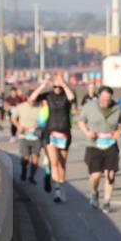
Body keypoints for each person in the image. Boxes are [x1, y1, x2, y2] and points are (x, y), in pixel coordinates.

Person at [29, 73, 76, 203]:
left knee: (62, 163)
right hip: (51, 132)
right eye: (55, 86)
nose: (57, 88)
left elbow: (72, 98)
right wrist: (43, 85)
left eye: (59, 86)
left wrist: (64, 84)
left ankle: (62, 184)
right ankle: (57, 190)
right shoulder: (48, 95)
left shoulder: (67, 95)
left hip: (64, 132)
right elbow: (31, 99)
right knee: (54, 162)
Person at [78, 85, 121, 212]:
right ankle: (94, 192)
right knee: (96, 176)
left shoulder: (117, 108)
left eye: (108, 100)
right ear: (99, 96)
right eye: (103, 99)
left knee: (110, 174)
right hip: (94, 145)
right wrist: (87, 132)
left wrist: (119, 131)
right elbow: (81, 121)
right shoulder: (89, 106)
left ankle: (107, 202)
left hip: (110, 144)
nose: (106, 102)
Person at [11, 95, 43, 184]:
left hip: (36, 136)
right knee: (25, 158)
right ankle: (24, 170)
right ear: (27, 98)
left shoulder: (40, 108)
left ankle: (32, 176)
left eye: (34, 100)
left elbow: (45, 121)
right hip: (24, 136)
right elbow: (13, 118)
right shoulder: (21, 107)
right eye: (31, 99)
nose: (32, 101)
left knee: (35, 158)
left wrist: (39, 126)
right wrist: (18, 126)